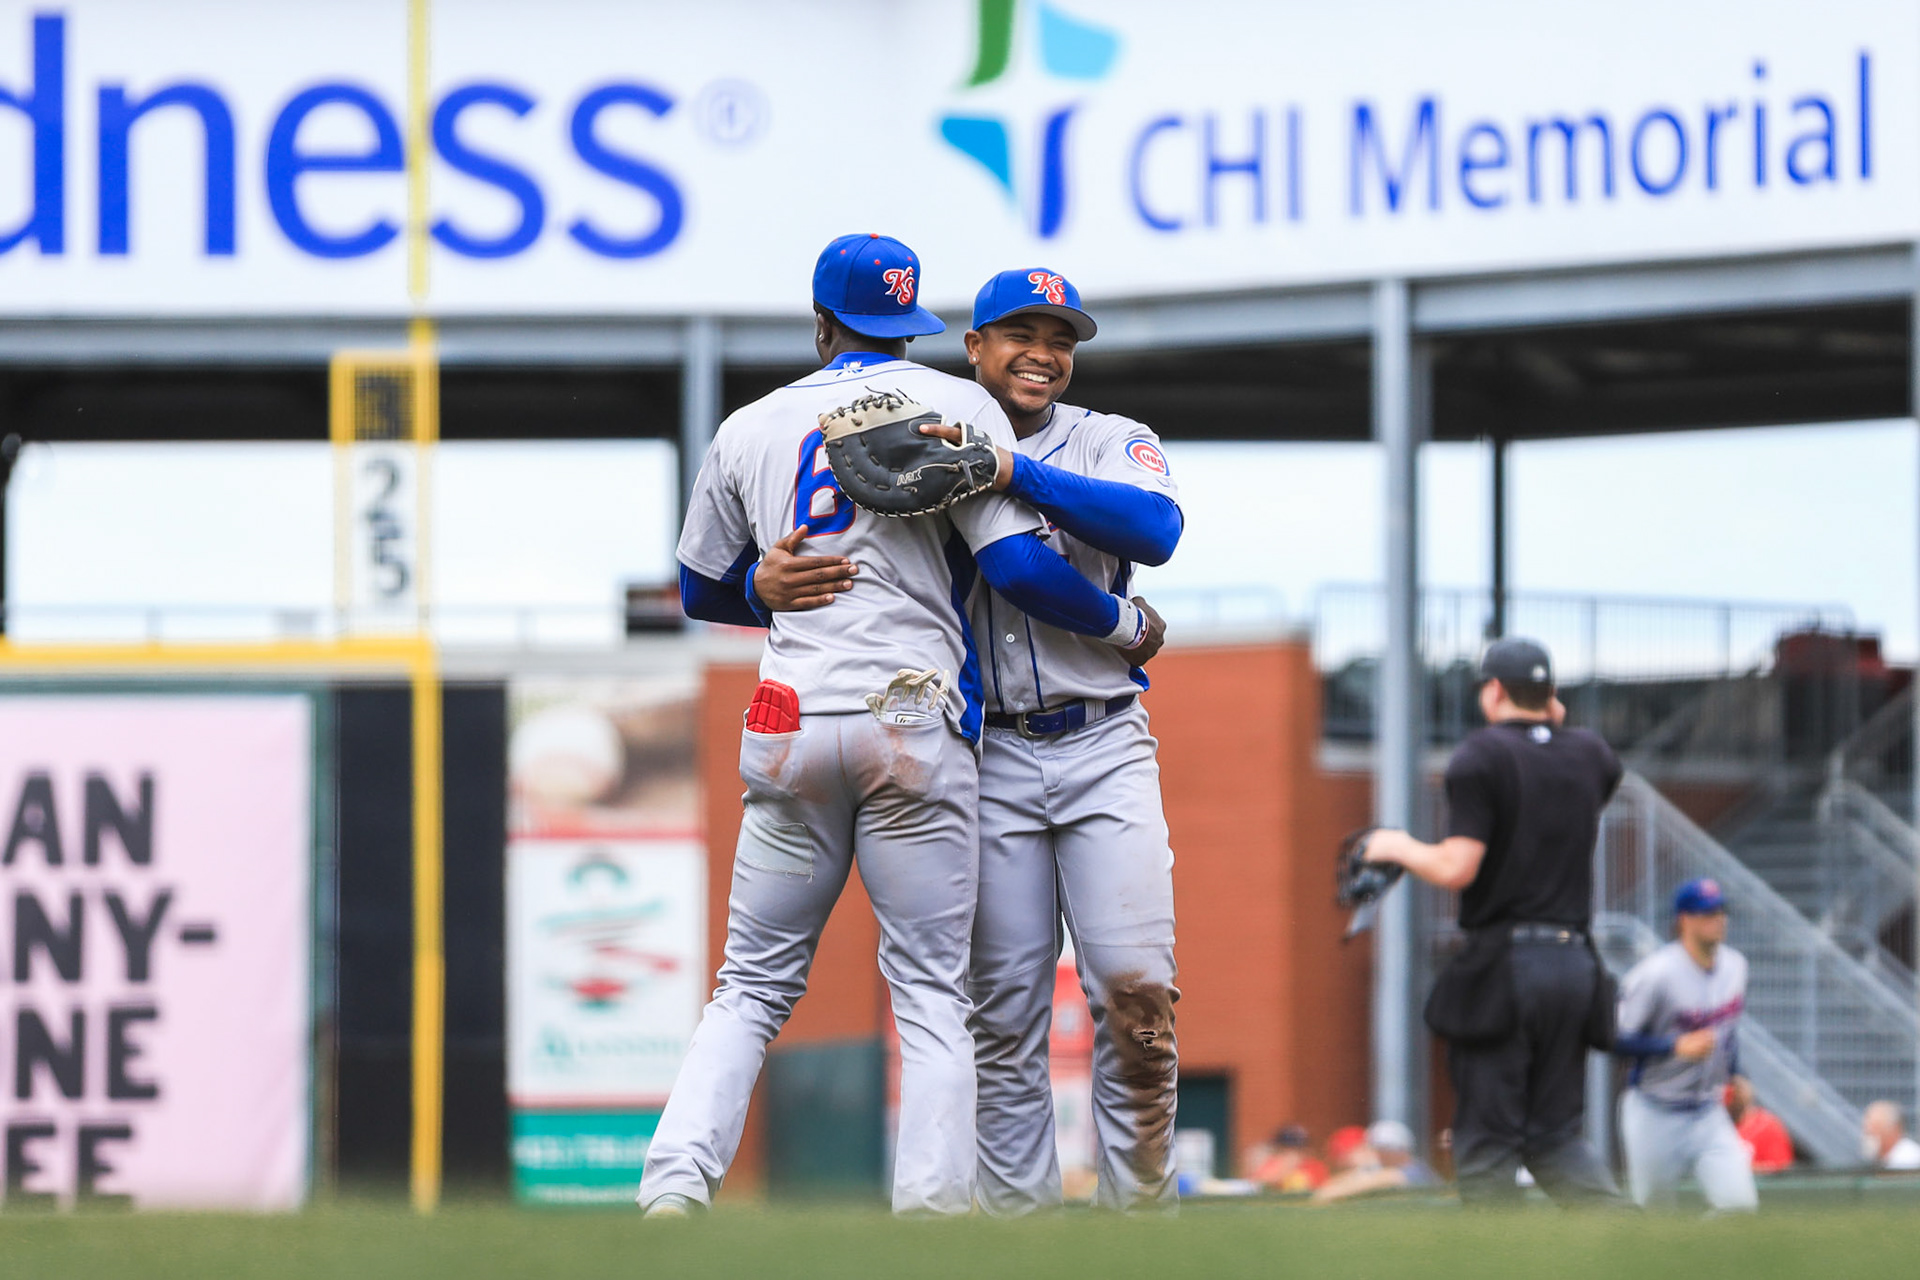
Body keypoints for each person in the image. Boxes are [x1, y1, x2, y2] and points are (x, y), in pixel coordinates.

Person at [639, 234, 1157, 1218]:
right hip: (911, 718)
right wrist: (1124, 623)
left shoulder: (748, 424)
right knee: (930, 993)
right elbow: (1017, 569)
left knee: (749, 984)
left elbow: (700, 587)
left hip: (789, 719)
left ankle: (672, 1189)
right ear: (913, 326)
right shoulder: (953, 402)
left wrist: (763, 583)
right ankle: (929, 1213)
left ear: (822, 323)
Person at [1361, 637, 1626, 1207]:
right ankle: (1634, 1243)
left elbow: (1459, 866)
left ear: (1495, 690)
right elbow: (1563, 742)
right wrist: (1548, 714)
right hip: (1575, 964)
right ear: (1551, 693)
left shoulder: (1480, 755)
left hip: (1509, 965)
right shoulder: (1591, 754)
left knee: (1488, 1146)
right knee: (1555, 1138)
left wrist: (1397, 845)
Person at [1613, 878, 1758, 1211]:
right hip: (1654, 1110)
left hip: (1707, 1111)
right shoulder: (1655, 974)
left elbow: (1727, 1032)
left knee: (1740, 1208)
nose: (1718, 919)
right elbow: (1614, 1039)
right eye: (1707, 913)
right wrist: (1673, 1046)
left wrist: (1739, 1074)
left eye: (1721, 911)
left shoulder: (1736, 966)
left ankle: (1702, 1260)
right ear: (1684, 920)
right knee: (1655, 1216)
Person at [1310, 1119, 1440, 1204]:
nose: (1374, 1153)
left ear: (1394, 1150)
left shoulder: (1415, 1171)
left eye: (1378, 1149)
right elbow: (1334, 1183)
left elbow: (1376, 1180)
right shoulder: (1383, 1169)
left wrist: (1326, 1194)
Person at [1727, 1078, 1793, 1174]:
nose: (1734, 1094)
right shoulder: (1716, 1126)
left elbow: (1780, 1169)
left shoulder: (1768, 1125)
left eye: (1738, 1089)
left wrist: (1740, 1169)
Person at [1247, 1124, 1329, 1193]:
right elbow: (1255, 1183)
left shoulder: (1314, 1166)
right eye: (1285, 1150)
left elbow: (1312, 1185)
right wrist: (1283, 1169)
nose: (1290, 1154)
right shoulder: (1275, 1162)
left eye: (1297, 1150)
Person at [1862, 1100, 1920, 1170]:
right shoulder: (1884, 1159)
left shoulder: (1909, 1158)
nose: (1867, 1136)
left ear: (1890, 1129)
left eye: (1873, 1130)